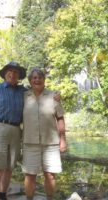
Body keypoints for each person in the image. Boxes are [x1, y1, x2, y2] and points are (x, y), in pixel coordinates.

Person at [0, 60, 60, 200]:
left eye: (16, 72)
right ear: (5, 74)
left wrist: (54, 95)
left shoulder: (23, 91)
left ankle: (2, 195)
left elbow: (39, 91)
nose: (12, 74)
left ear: (19, 76)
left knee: (9, 168)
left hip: (16, 130)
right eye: (10, 71)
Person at [22, 68, 66, 200]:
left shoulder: (53, 96)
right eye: (34, 78)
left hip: (51, 143)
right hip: (30, 142)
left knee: (50, 175)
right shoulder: (24, 96)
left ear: (44, 80)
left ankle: (50, 198)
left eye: (40, 77)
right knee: (30, 175)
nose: (37, 80)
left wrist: (63, 139)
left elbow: (60, 117)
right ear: (30, 81)